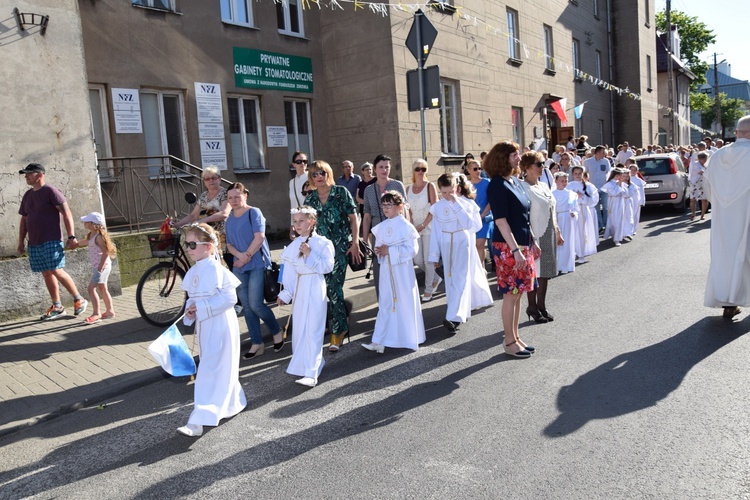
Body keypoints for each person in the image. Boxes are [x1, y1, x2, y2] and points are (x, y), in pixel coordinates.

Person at [178, 223, 246, 437]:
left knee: (209, 369)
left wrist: (202, 307)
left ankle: (198, 420)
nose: (188, 248)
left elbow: (230, 299)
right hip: (205, 325)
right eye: (186, 244)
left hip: (221, 325)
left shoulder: (217, 270)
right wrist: (191, 313)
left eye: (192, 244)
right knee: (217, 366)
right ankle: (231, 403)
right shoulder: (194, 270)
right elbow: (194, 298)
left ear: (208, 246)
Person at [17, 163, 88, 320]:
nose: (26, 176)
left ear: (39, 175)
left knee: (56, 270)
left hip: (51, 239)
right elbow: (24, 219)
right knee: (46, 273)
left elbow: (66, 212)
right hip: (35, 242)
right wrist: (21, 241)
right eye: (25, 174)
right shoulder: (28, 196)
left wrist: (71, 236)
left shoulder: (51, 191)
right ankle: (57, 306)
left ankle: (79, 299)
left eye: (29, 173)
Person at [485, 142, 536, 359]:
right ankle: (508, 341)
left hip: (522, 245)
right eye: (514, 154)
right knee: (510, 294)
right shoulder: (496, 185)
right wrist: (516, 250)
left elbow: (524, 216)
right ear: (503, 158)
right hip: (508, 246)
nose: (518, 157)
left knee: (518, 294)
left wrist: (533, 243)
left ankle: (515, 337)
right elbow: (501, 221)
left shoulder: (514, 181)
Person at [305, 160, 362, 352]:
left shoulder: (340, 193)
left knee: (334, 286)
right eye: (314, 174)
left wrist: (355, 243)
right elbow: (306, 224)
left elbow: (354, 218)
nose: (318, 177)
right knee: (322, 289)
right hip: (318, 248)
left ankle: (339, 331)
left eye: (321, 173)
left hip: (339, 247)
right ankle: (333, 323)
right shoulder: (310, 198)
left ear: (327, 173)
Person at [225, 182, 284, 359]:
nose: (234, 201)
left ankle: (276, 331)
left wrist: (245, 256)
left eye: (237, 196)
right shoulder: (229, 219)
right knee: (248, 308)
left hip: (257, 264)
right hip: (239, 267)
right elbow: (229, 245)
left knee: (256, 304)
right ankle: (257, 343)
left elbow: (260, 237)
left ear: (245, 196)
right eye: (230, 198)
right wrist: (239, 257)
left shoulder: (254, 212)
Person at [277, 207, 335, 387]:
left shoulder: (323, 243)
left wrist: (311, 253)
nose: (297, 225)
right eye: (295, 222)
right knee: (301, 327)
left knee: (313, 328)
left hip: (315, 286)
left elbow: (328, 267)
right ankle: (303, 365)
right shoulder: (293, 246)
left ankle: (312, 371)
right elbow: (290, 273)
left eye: (301, 221)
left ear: (311, 222)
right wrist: (286, 293)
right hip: (301, 288)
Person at [362, 191, 425, 353]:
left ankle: (409, 338)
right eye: (383, 205)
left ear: (400, 206)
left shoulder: (406, 227)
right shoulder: (382, 227)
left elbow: (412, 250)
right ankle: (379, 340)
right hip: (386, 270)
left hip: (402, 272)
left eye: (389, 205)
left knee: (403, 302)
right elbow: (381, 249)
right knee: (385, 303)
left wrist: (390, 251)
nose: (385, 208)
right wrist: (380, 252)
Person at [703, 117, 750, 319]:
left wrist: (721, 203)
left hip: (724, 215)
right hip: (746, 211)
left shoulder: (719, 155)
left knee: (726, 256)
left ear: (737, 132)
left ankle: (728, 303)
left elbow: (707, 186)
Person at [428, 173, 483, 333]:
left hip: (461, 242)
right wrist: (434, 255)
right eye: (443, 193)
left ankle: (453, 316)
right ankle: (456, 315)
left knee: (460, 278)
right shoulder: (437, 207)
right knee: (451, 279)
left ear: (456, 188)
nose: (446, 196)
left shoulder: (466, 203)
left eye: (450, 192)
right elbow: (435, 232)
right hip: (446, 244)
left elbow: (472, 225)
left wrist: (456, 204)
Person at [520, 152, 561, 323]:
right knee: (534, 273)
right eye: (538, 164)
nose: (542, 167)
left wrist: (558, 231)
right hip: (535, 234)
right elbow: (523, 215)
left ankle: (542, 305)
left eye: (543, 163)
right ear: (527, 167)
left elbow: (552, 209)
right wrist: (529, 238)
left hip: (549, 232)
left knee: (545, 273)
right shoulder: (523, 187)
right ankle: (532, 306)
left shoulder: (544, 185)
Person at [362, 154, 407, 299]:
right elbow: (367, 215)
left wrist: (406, 232)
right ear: (374, 169)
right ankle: (383, 303)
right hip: (377, 235)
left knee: (396, 265)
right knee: (379, 268)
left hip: (396, 233)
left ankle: (399, 300)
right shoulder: (369, 190)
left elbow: (404, 209)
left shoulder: (397, 185)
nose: (384, 170)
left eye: (387, 167)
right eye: (381, 167)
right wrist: (364, 239)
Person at [174, 165, 232, 267]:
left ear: (220, 179)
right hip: (208, 237)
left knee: (229, 266)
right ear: (204, 181)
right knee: (210, 266)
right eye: (207, 179)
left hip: (225, 236)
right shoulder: (203, 196)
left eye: (214, 178)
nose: (211, 181)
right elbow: (193, 216)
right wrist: (177, 224)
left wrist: (203, 220)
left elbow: (224, 213)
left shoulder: (226, 194)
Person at [455, 174, 494, 310]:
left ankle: (475, 298)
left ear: (459, 188)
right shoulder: (447, 204)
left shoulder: (468, 203)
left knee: (471, 268)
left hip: (468, 239)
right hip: (455, 244)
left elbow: (476, 225)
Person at [406, 159, 441, 301]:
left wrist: (423, 225)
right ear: (413, 171)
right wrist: (411, 224)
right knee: (417, 259)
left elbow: (434, 208)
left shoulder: (429, 186)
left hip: (428, 227)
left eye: (423, 169)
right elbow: (407, 210)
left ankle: (428, 291)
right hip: (414, 228)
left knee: (428, 260)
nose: (420, 172)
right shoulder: (408, 189)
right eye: (418, 169)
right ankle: (436, 278)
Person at [76, 212, 116, 324]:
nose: (84, 223)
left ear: (94, 225)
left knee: (91, 288)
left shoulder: (98, 237)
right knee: (103, 288)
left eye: (87, 221)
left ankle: (96, 313)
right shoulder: (92, 235)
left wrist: (100, 267)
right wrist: (76, 244)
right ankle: (110, 311)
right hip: (100, 267)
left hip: (102, 267)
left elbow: (105, 252)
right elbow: (86, 242)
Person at [568, 167, 599, 263]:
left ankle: (581, 254)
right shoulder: (569, 185)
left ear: (583, 174)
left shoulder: (589, 186)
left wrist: (582, 197)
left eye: (579, 173)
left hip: (583, 211)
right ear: (572, 174)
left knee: (581, 232)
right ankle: (572, 253)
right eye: (575, 173)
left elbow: (593, 200)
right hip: (572, 212)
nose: (577, 175)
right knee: (572, 232)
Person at [467, 159, 493, 268]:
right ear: (469, 170)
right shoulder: (466, 185)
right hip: (471, 220)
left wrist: (482, 215)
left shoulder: (487, 182)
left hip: (485, 218)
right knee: (473, 246)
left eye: (479, 168)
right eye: (475, 169)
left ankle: (482, 270)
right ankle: (479, 269)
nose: (478, 171)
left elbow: (492, 201)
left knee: (480, 244)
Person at [551, 173, 578, 274]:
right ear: (556, 181)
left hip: (567, 218)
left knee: (567, 241)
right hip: (555, 218)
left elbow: (575, 207)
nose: (564, 183)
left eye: (566, 181)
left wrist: (573, 213)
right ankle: (556, 266)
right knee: (556, 242)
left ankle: (566, 265)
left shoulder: (571, 194)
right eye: (562, 181)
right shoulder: (551, 194)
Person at [583, 145, 613, 232]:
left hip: (604, 187)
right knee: (596, 208)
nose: (605, 154)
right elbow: (585, 174)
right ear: (598, 152)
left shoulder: (606, 161)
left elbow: (608, 172)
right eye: (603, 152)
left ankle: (606, 224)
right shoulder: (587, 162)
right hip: (593, 189)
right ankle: (600, 226)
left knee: (606, 207)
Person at [601, 169, 628, 246]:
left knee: (619, 220)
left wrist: (620, 185)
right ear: (616, 176)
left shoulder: (621, 184)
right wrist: (619, 186)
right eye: (621, 176)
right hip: (613, 203)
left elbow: (626, 194)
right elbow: (614, 193)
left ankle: (617, 238)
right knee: (613, 220)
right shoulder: (609, 184)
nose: (622, 178)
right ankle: (613, 234)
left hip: (620, 203)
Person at [288, 151, 309, 240]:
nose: (302, 163)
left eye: (305, 161)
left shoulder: (312, 178)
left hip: (311, 221)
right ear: (294, 164)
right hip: (299, 224)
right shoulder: (292, 182)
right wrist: (292, 227)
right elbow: (293, 206)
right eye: (299, 161)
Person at [689, 151, 709, 221]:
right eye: (705, 159)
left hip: (703, 184)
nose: (706, 160)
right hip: (694, 183)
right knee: (693, 199)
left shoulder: (706, 165)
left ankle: (702, 215)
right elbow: (701, 172)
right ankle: (693, 214)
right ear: (701, 159)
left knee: (704, 200)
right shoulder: (695, 165)